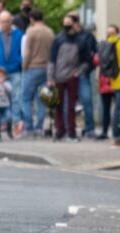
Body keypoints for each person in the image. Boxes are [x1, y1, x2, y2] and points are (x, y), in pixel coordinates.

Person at [47, 14, 90, 142]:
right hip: (59, 77)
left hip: (72, 76)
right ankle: (60, 130)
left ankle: (71, 131)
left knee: (72, 106)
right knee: (58, 106)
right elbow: (52, 59)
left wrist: (79, 71)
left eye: (69, 23)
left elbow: (86, 60)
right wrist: (50, 77)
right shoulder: (58, 39)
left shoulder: (80, 40)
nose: (66, 26)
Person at [21, 9, 55, 138]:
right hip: (46, 68)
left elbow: (27, 52)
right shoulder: (50, 32)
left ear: (31, 19)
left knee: (26, 99)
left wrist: (24, 66)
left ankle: (29, 128)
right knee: (41, 100)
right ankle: (39, 128)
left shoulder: (31, 31)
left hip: (32, 67)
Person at [69, 14, 97, 138]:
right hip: (69, 73)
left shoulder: (87, 36)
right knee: (70, 103)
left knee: (86, 100)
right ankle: (72, 129)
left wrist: (86, 68)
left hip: (83, 72)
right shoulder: (68, 37)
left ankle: (90, 128)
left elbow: (94, 53)